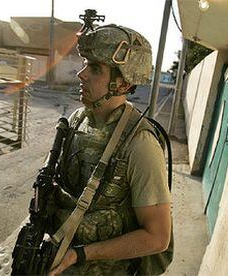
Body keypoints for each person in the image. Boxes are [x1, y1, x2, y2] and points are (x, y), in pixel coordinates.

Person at [49, 24, 173, 275]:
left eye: (95, 69)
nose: (81, 74)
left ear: (123, 84)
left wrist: (80, 254)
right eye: (85, 64)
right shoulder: (76, 121)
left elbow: (158, 238)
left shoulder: (141, 144)